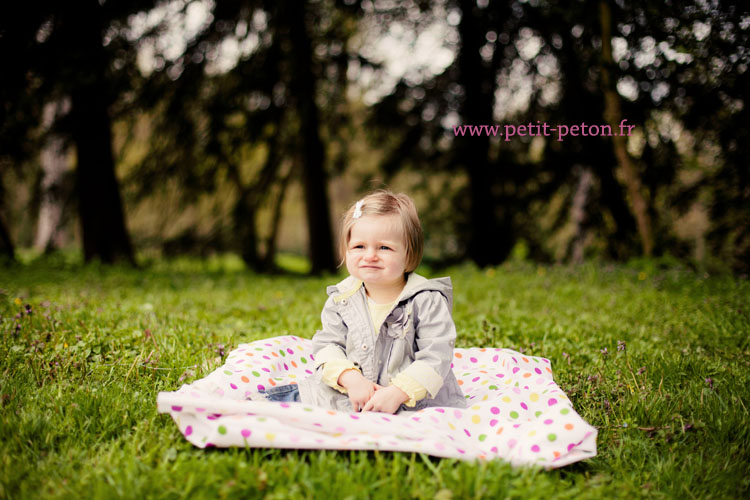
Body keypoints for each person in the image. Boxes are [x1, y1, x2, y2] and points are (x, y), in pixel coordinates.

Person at [251, 190, 466, 413]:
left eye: (384, 247)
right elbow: (328, 345)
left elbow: (436, 355)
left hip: (413, 401)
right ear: (346, 250)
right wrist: (351, 379)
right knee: (289, 399)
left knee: (418, 420)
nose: (370, 255)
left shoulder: (427, 300)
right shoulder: (342, 298)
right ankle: (243, 409)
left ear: (409, 255)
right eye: (359, 247)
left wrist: (397, 392)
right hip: (352, 394)